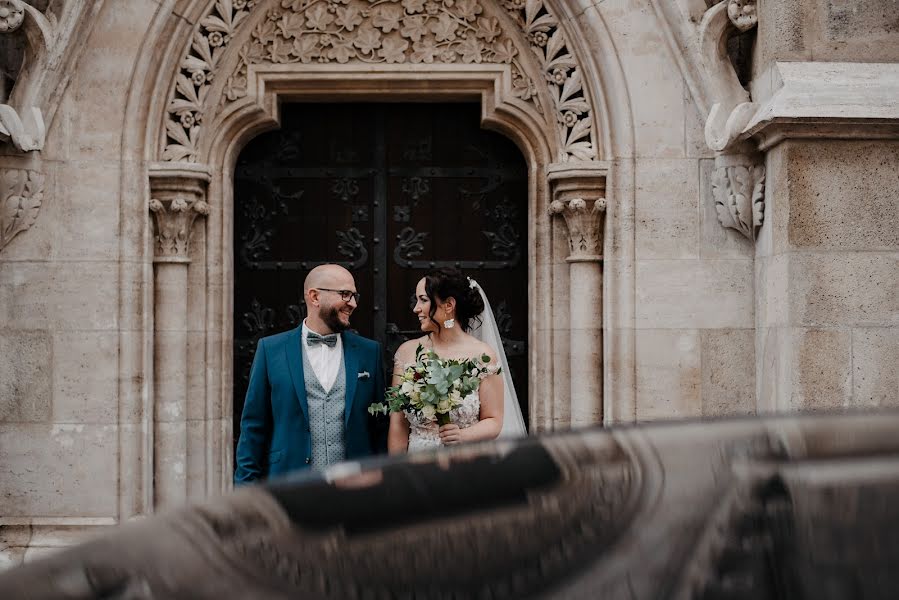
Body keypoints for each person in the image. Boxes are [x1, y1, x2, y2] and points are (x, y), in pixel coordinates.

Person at [234, 264, 385, 484]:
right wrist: (246, 491)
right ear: (314, 296)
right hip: (289, 486)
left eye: (354, 296)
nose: (352, 303)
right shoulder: (271, 350)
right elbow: (253, 428)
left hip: (356, 492)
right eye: (345, 294)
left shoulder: (369, 352)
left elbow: (380, 426)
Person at [387, 267, 527, 453]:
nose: (416, 308)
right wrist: (397, 474)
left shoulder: (482, 355)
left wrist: (462, 435)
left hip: (464, 466)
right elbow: (398, 425)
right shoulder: (407, 352)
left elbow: (494, 421)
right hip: (417, 467)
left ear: (448, 305)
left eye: (423, 300)